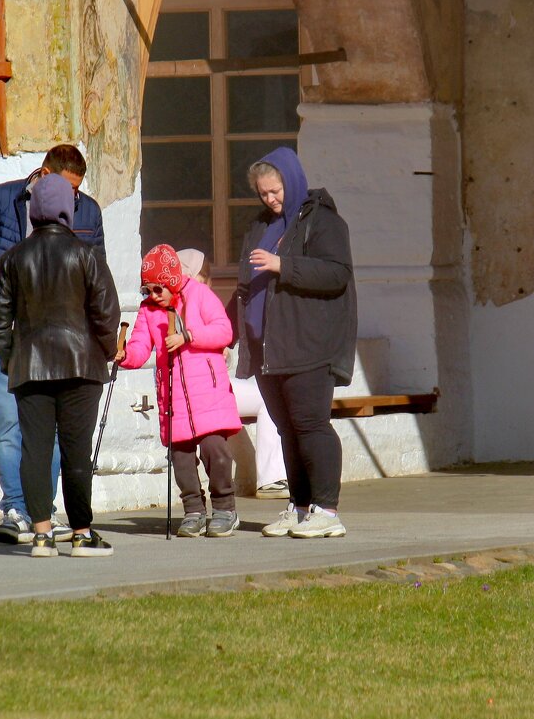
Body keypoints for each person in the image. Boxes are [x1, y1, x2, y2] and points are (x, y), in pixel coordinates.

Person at [0, 145, 106, 545]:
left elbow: (97, 274)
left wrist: (100, 338)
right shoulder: (0, 200)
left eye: (78, 191)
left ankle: (42, 515)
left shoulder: (88, 211)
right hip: (10, 333)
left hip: (65, 341)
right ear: (44, 174)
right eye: (67, 189)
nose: (73, 198)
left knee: (48, 432)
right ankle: (16, 509)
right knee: (10, 423)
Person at [0, 173, 121, 557]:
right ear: (66, 208)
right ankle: (81, 533)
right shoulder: (87, 254)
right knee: (77, 452)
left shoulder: (13, 258)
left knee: (35, 450)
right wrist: (108, 351)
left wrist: (15, 361)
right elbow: (106, 315)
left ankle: (42, 534)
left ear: (33, 210)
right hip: (81, 368)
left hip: (30, 369)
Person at [235, 147, 356, 539]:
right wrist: (229, 332)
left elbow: (336, 274)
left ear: (292, 180)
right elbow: (245, 284)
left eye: (276, 190)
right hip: (269, 348)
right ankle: (300, 507)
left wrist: (283, 265)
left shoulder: (322, 221)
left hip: (308, 342)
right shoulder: (260, 226)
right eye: (263, 193)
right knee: (287, 428)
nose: (270, 199)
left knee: (311, 425)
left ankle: (327, 511)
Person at [116, 245, 243, 537]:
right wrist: (125, 357)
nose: (153, 295)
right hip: (173, 395)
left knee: (216, 451)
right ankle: (194, 511)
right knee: (181, 457)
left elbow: (224, 330)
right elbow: (139, 346)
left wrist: (188, 336)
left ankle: (225, 508)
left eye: (158, 288)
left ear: (172, 280)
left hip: (207, 392)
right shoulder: (149, 310)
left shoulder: (200, 295)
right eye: (147, 289)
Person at [177, 247, 288, 499]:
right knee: (269, 399)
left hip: (190, 392)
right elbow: (218, 340)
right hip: (204, 392)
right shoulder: (198, 300)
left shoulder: (164, 302)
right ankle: (271, 477)